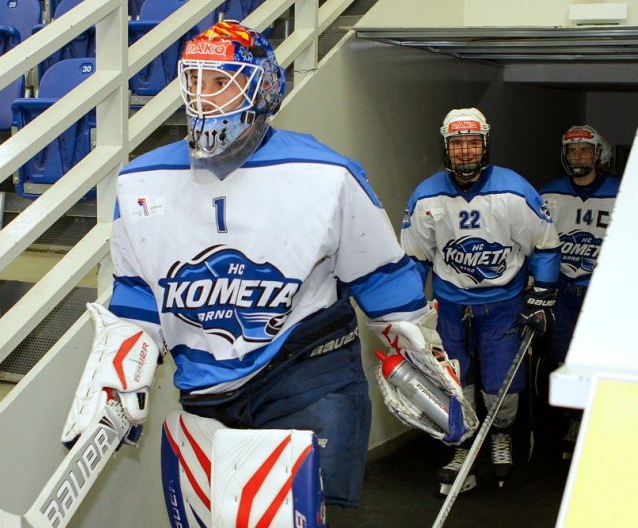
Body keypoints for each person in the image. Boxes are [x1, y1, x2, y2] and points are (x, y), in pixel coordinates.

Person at [59, 21, 475, 527]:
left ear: (263, 87)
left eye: (221, 81)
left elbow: (380, 278)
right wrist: (118, 376)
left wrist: (421, 352)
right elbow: (138, 296)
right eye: (195, 80)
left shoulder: (327, 175)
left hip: (307, 376)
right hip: (202, 386)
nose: (203, 98)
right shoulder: (140, 182)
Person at [401, 108, 561, 492]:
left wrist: (543, 295)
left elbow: (545, 244)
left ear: (485, 144)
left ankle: (500, 435)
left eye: (473, 142)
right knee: (453, 379)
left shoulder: (514, 191)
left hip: (503, 303)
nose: (466, 152)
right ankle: (463, 442)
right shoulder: (426, 196)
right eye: (457, 144)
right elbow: (414, 259)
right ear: (446, 148)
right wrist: (408, 312)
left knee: (500, 379)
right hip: (450, 305)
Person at [539, 125, 621, 459]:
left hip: (601, 292)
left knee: (600, 359)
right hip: (563, 289)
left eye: (585, 150)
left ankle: (599, 422)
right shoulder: (548, 194)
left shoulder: (622, 192)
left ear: (598, 153)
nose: (578, 157)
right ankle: (575, 420)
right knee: (563, 359)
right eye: (572, 151)